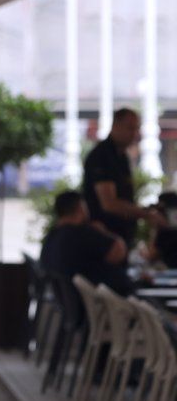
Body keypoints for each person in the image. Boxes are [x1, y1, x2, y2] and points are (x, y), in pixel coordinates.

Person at [83, 107, 166, 248]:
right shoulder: (102, 156)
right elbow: (109, 203)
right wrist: (146, 215)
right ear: (116, 126)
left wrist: (145, 211)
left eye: (136, 129)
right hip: (106, 240)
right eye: (130, 128)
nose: (134, 134)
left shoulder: (122, 157)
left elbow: (122, 198)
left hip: (121, 237)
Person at [40, 190, 132, 296]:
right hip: (101, 304)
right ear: (81, 207)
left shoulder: (51, 237)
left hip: (70, 304)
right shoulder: (81, 233)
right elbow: (119, 252)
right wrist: (104, 232)